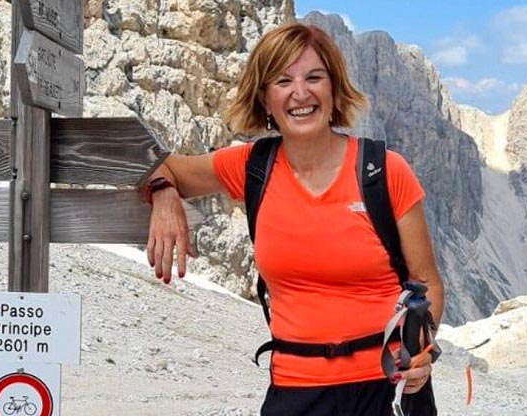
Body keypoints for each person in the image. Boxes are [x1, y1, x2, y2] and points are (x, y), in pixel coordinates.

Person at [142, 23, 445, 416]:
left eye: (314, 78)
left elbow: (427, 284)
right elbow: (160, 166)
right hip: (295, 391)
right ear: (265, 100)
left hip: (389, 388)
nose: (300, 93)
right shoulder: (252, 167)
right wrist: (164, 193)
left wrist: (421, 351)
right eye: (283, 81)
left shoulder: (384, 170)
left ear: (334, 89)